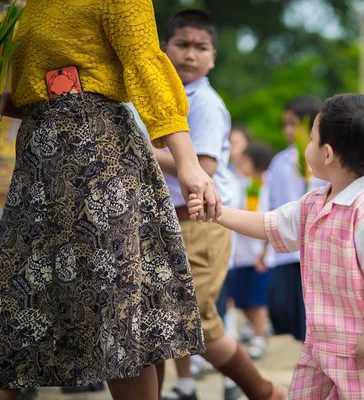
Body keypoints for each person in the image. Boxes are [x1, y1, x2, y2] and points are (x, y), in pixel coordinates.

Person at [0, 1, 221, 399]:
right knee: (22, 303)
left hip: (96, 160)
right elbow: (33, 90)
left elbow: (145, 63)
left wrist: (187, 162)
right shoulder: (24, 6)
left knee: (114, 310)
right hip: (40, 161)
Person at [189, 94, 364, 399]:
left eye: (311, 139)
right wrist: (218, 212)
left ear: (328, 153)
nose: (305, 146)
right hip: (322, 340)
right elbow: (267, 224)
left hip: (361, 345)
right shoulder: (314, 203)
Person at [145, 10, 284, 400]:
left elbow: (200, 168)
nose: (190, 54)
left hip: (200, 221)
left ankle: (264, 391)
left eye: (200, 47)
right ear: (163, 50)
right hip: (162, 224)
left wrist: (136, 151)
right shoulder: (157, 98)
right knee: (152, 324)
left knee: (198, 324)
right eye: (182, 45)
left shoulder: (202, 101)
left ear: (213, 57)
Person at [266, 95, 324, 343]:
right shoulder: (279, 161)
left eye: (294, 124)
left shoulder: (324, 158)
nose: (289, 131)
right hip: (285, 249)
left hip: (314, 250)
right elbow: (272, 205)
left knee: (309, 317)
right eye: (286, 124)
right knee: (282, 306)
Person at [228, 142, 276, 360]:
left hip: (257, 254)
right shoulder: (240, 183)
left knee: (257, 301)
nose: (240, 164)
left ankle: (258, 336)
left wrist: (264, 252)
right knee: (242, 299)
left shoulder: (264, 186)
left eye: (244, 160)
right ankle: (257, 331)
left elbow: (268, 220)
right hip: (241, 255)